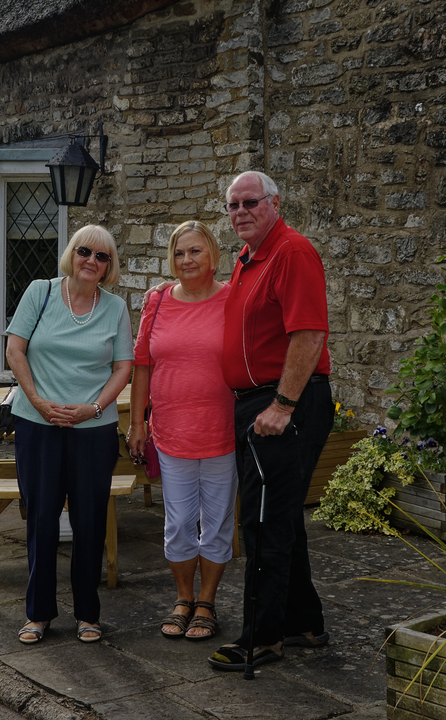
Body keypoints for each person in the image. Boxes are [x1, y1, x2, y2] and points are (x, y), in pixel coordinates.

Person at [206, 171, 332, 671]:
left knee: (262, 521)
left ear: (275, 202)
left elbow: (308, 335)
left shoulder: (292, 252)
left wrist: (281, 405)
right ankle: (304, 622)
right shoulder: (248, 257)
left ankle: (261, 639)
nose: (240, 212)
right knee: (281, 516)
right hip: (257, 401)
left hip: (282, 404)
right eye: (232, 204)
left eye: (250, 202)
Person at [4, 225, 133, 646]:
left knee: (89, 521)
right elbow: (14, 349)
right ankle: (38, 614)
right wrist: (39, 402)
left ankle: (88, 614)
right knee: (40, 518)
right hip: (37, 424)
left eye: (102, 257)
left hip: (92, 429)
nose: (92, 261)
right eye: (85, 252)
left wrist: (93, 408)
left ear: (109, 266)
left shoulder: (115, 308)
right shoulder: (39, 292)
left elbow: (123, 368)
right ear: (71, 254)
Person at [126, 220, 235, 642]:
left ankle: (207, 601)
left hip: (222, 431)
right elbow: (142, 365)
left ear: (212, 255)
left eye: (195, 251)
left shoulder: (232, 297)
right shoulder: (157, 301)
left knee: (218, 522)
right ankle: (183, 597)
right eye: (178, 252)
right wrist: (137, 423)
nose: (186, 260)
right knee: (178, 524)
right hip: (171, 433)